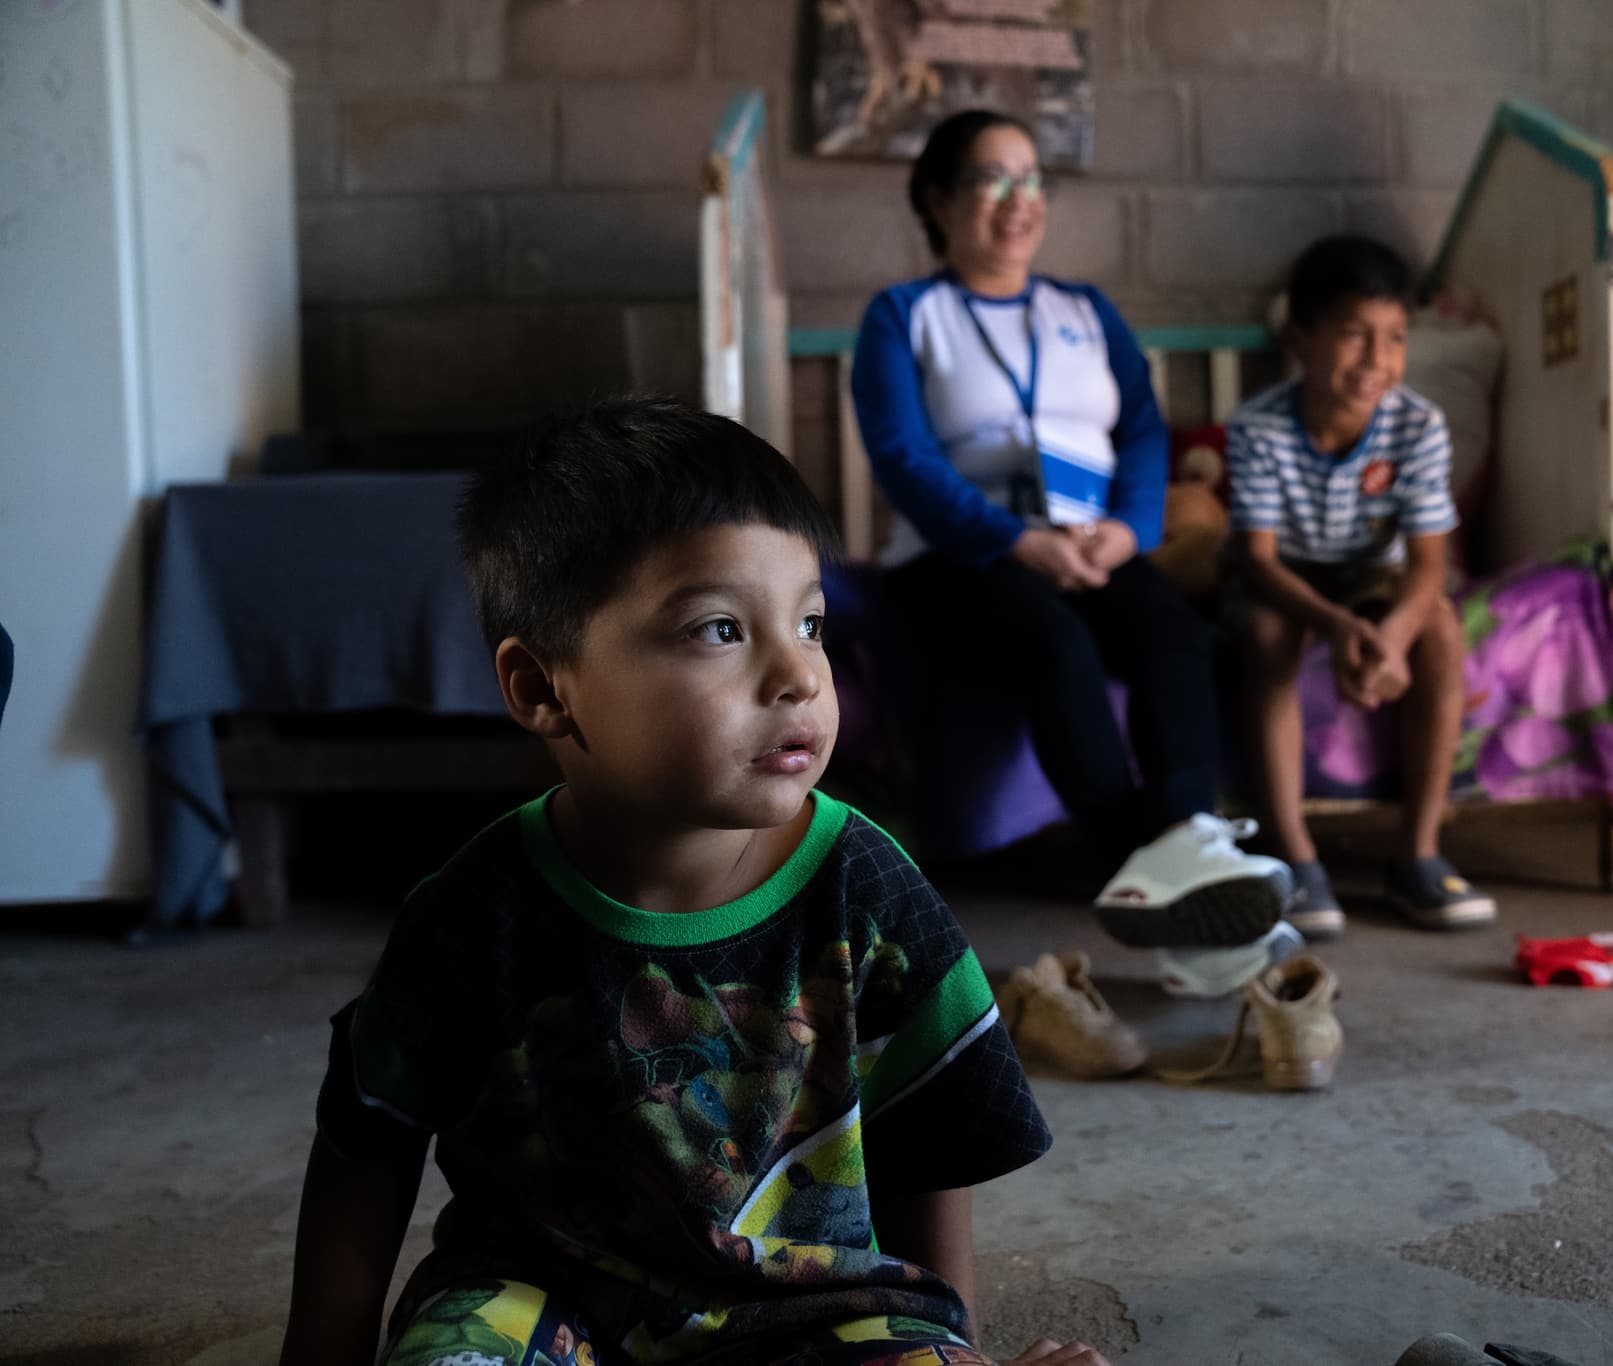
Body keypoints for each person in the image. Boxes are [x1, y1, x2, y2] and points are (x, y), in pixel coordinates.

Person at [278, 399, 1107, 1366]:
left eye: (809, 621)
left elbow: (935, 1133)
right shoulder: (472, 914)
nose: (798, 673)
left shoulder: (866, 883)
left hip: (814, 1302)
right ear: (544, 688)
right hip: (542, 1302)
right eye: (719, 629)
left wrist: (946, 1341)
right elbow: (366, 1142)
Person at [850, 108, 1289, 955]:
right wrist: (1014, 541)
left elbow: (1145, 432)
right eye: (992, 178)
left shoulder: (1084, 309)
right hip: (960, 554)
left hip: (1091, 544)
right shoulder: (905, 315)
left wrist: (1129, 530)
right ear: (939, 201)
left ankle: (1190, 836)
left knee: (1175, 634)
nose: (1019, 199)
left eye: (1031, 178)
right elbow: (902, 456)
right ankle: (1141, 858)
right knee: (1053, 641)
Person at [1226, 236, 1497, 936]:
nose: (1377, 360)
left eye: (1395, 338)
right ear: (1300, 340)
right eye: (1353, 336)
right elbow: (1257, 561)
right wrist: (1341, 628)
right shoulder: (1258, 428)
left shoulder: (1417, 425)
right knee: (1265, 635)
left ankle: (1420, 854)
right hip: (1284, 569)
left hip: (1374, 567)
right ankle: (1298, 859)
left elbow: (1428, 564)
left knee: (1439, 628)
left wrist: (1394, 635)